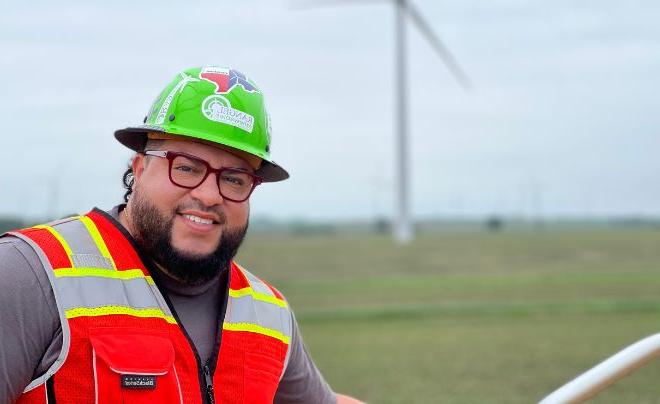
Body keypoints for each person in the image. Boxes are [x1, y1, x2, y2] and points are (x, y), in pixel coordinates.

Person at [0, 66, 363, 404]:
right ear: (139, 168)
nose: (208, 195)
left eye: (234, 179)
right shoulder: (32, 272)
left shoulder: (269, 315)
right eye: (186, 168)